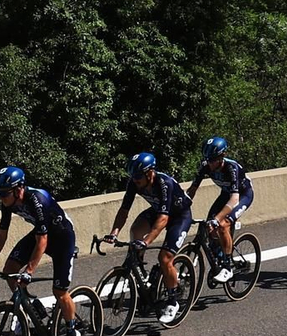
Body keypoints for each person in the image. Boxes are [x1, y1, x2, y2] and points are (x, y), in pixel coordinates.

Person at [0, 166, 85, 336]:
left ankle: (72, 332)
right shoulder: (8, 202)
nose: (1, 198)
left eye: (5, 194)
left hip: (62, 238)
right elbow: (1, 234)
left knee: (59, 291)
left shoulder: (37, 200)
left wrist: (29, 271)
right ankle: (33, 306)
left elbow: (43, 240)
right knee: (9, 271)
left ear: (18, 189)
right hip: (41, 235)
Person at [107, 153, 195, 323]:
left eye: (138, 176)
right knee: (135, 232)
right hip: (158, 211)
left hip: (179, 216)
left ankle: (172, 300)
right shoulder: (134, 183)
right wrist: (114, 233)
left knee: (165, 257)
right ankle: (144, 280)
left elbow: (164, 219)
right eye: (133, 177)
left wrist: (146, 241)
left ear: (150, 173)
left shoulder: (164, 183)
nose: (135, 180)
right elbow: (124, 210)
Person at [184, 136, 252, 278]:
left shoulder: (231, 168)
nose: (210, 163)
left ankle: (227, 267)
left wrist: (218, 219)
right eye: (207, 159)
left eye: (213, 159)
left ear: (222, 156)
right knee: (208, 226)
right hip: (225, 194)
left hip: (242, 195)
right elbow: (192, 190)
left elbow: (234, 199)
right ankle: (220, 255)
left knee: (222, 224)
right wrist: (181, 207)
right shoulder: (205, 166)